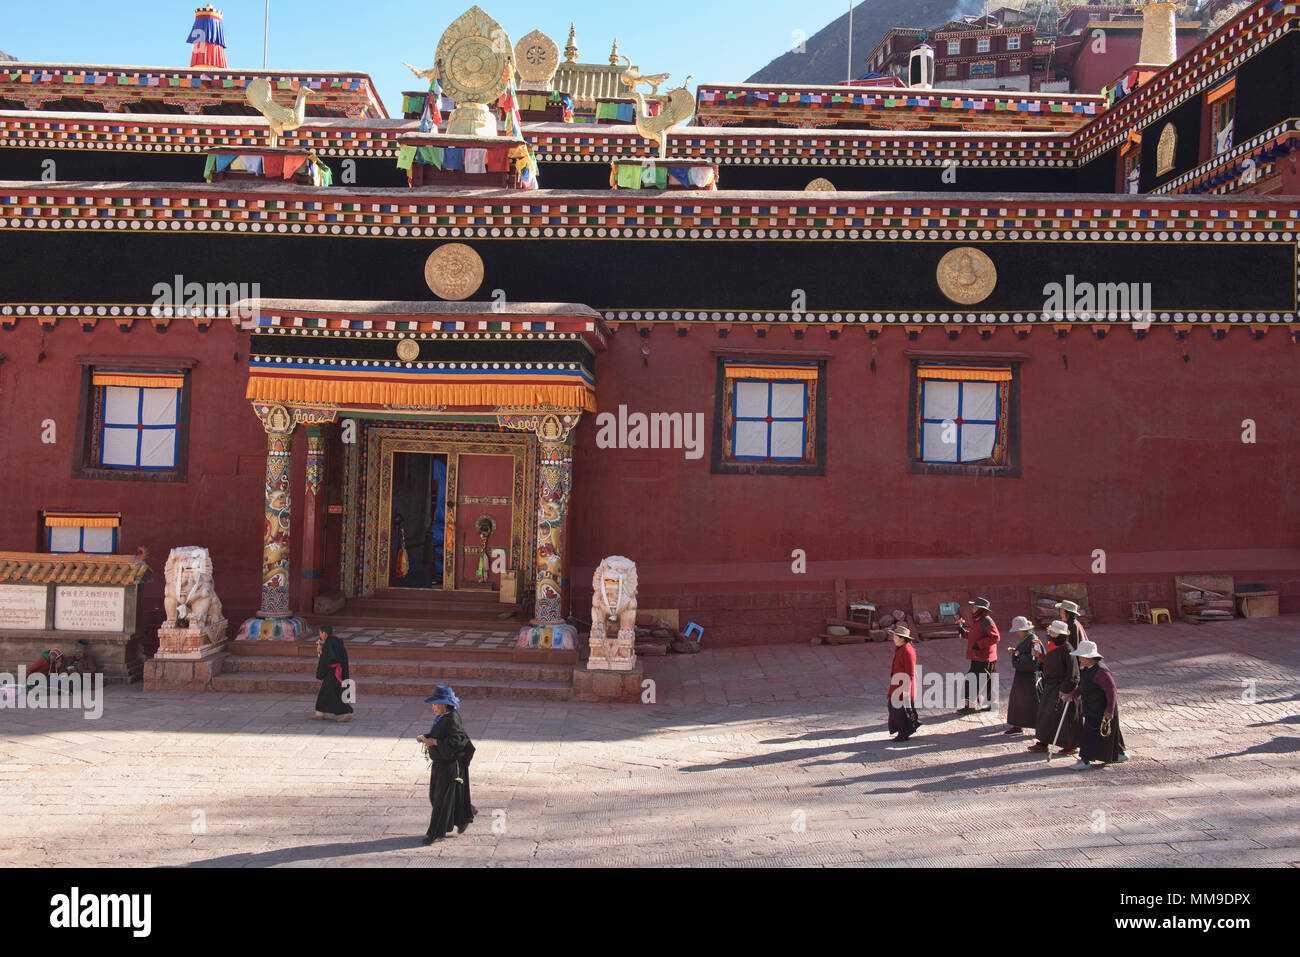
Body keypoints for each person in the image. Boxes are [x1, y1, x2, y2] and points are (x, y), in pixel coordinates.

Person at [417, 686, 477, 844]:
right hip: (441, 763)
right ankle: (466, 814)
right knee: (438, 797)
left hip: (451, 765)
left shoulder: (452, 719)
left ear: (444, 704)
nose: (433, 707)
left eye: (436, 704)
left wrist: (435, 741)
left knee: (442, 800)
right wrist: (426, 737)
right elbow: (441, 734)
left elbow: (458, 741)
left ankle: (437, 833)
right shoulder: (443, 717)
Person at [1063, 640, 1130, 769]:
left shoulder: (1101, 672)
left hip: (1101, 709)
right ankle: (1119, 754)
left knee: (1090, 734)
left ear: (1089, 657)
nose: (1080, 659)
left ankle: (1085, 760)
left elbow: (1112, 691)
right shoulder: (1088, 669)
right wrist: (1072, 695)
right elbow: (1083, 686)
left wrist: (1109, 710)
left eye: (1082, 657)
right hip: (1093, 707)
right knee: (1109, 734)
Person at [1029, 620, 1080, 755]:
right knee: (1045, 714)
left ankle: (1070, 745)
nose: (1049, 634)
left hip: (1062, 687)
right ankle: (1043, 742)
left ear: (1059, 634)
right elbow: (1050, 661)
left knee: (1065, 719)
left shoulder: (1068, 650)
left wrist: (1066, 690)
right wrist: (1039, 656)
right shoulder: (1053, 645)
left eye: (1052, 632)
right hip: (1050, 686)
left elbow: (1073, 674)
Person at [956, 597, 999, 714]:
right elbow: (976, 635)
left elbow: (995, 637)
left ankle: (971, 706)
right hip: (979, 657)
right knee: (986, 681)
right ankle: (991, 704)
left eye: (974, 606)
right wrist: (964, 632)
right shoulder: (979, 620)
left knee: (973, 681)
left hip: (984, 658)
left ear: (980, 609)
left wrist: (980, 645)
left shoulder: (987, 621)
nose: (972, 608)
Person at [1003, 616, 1042, 736]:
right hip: (1023, 674)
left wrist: (1016, 654)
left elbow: (1034, 658)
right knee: (1018, 700)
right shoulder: (1026, 638)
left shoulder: (1033, 639)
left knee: (1032, 701)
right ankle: (1017, 724)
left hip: (1030, 676)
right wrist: (1016, 651)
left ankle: (1039, 726)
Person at [887, 625, 921, 742]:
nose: (893, 638)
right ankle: (904, 730)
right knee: (895, 709)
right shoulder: (901, 648)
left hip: (903, 686)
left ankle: (904, 732)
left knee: (899, 710)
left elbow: (910, 673)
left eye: (895, 636)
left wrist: (906, 689)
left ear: (902, 638)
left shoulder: (907, 651)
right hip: (898, 684)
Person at [313, 624, 353, 722]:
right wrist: (322, 652)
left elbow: (327, 659)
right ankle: (319, 713)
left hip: (333, 673)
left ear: (324, 633)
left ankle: (347, 713)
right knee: (324, 692)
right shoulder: (336, 641)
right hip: (338, 671)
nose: (320, 635)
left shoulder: (329, 643)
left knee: (335, 693)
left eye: (320, 633)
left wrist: (320, 673)